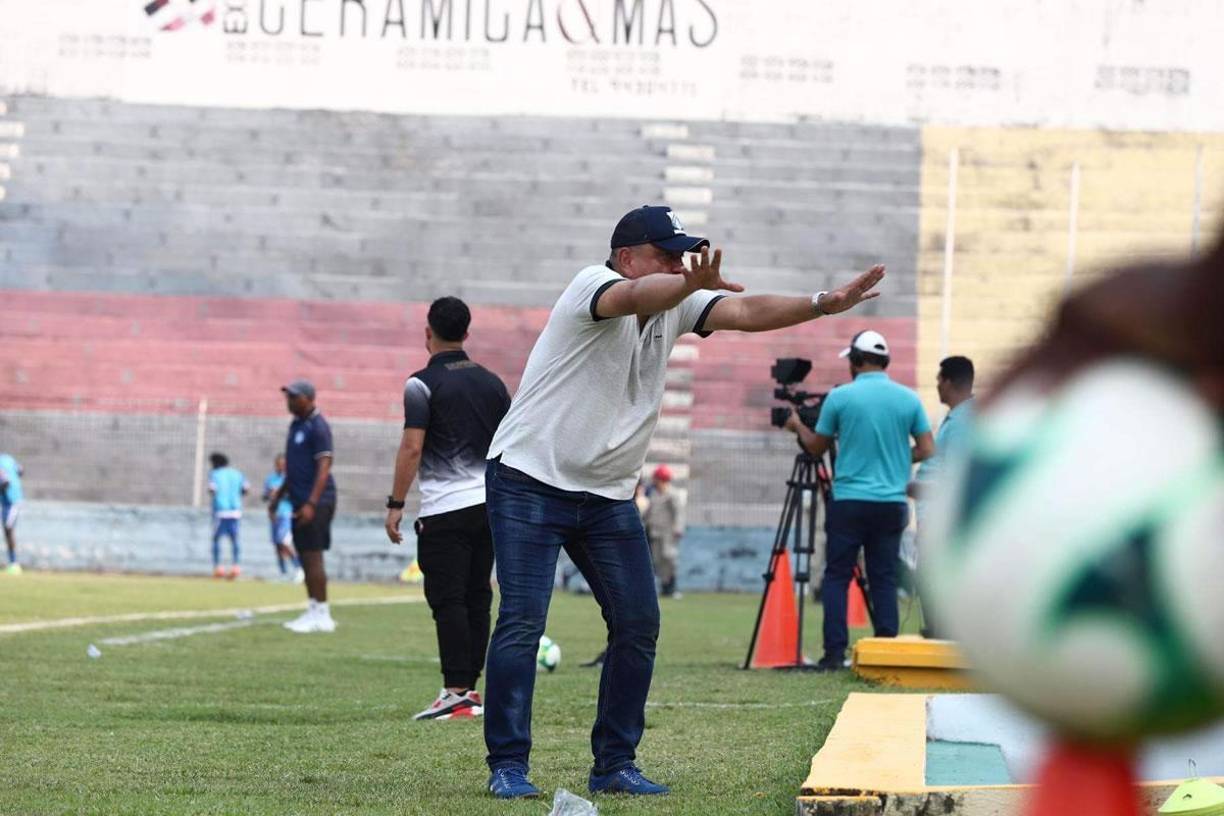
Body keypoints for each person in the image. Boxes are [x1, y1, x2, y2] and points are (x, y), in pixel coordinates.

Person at [481, 204, 886, 799]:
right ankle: (509, 767)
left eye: (682, 254)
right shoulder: (592, 285)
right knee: (522, 621)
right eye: (666, 253)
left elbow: (746, 310)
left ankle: (614, 765)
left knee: (639, 622)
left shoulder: (677, 299)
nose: (679, 262)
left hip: (607, 492)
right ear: (626, 258)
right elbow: (632, 297)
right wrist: (684, 283)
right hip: (530, 476)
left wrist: (823, 302)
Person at [384, 296, 511, 722]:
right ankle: (471, 692)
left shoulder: (420, 384)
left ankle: (456, 690)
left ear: (428, 332)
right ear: (467, 333)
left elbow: (412, 446)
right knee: (478, 596)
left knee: (447, 597)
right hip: (491, 504)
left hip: (444, 508)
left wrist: (396, 503)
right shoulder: (493, 383)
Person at [781, 329, 935, 671]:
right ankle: (886, 650)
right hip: (891, 502)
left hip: (849, 500)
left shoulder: (841, 398)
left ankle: (834, 654)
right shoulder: (908, 399)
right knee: (883, 576)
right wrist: (894, 461)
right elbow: (926, 448)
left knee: (837, 575)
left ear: (855, 360)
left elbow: (817, 447)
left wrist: (796, 427)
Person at [909, 356, 974, 635]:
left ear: (948, 382)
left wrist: (916, 489)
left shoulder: (963, 421)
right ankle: (938, 629)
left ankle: (941, 631)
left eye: (938, 380)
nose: (937, 386)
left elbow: (956, 478)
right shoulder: (958, 417)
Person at [269, 380, 338, 634]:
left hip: (317, 501)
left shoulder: (318, 427)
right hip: (299, 500)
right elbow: (294, 469)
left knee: (312, 556)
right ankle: (313, 609)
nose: (289, 401)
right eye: (288, 396)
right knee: (305, 556)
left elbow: (324, 467)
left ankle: (323, 614)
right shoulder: (296, 426)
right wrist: (278, 497)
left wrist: (311, 502)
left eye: (294, 397)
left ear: (309, 399)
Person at [643, 464, 684, 598]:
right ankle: (664, 588)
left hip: (668, 533)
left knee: (669, 559)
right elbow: (649, 512)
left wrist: (678, 528)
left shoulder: (672, 494)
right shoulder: (653, 493)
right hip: (654, 532)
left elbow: (678, 513)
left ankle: (671, 588)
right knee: (657, 561)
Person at [262, 454, 303, 583]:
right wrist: (269, 494)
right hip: (274, 516)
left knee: (284, 542)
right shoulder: (270, 479)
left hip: (286, 514)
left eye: (283, 464)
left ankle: (299, 569)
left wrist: (281, 494)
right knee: (277, 545)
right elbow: (264, 497)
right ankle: (283, 573)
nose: (281, 467)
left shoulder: (291, 479)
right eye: (278, 464)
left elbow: (297, 497)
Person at [207, 452, 249, 579]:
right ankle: (236, 566)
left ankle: (218, 567)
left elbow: (212, 490)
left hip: (220, 510)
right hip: (235, 511)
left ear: (215, 463)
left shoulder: (214, 474)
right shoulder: (237, 474)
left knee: (216, 539)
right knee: (234, 538)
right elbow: (245, 489)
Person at [0, 452, 24, 575]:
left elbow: (5, 482)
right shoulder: (8, 458)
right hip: (11, 500)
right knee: (7, 529)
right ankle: (13, 563)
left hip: (11, 501)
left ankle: (14, 564)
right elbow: (21, 470)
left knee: (8, 529)